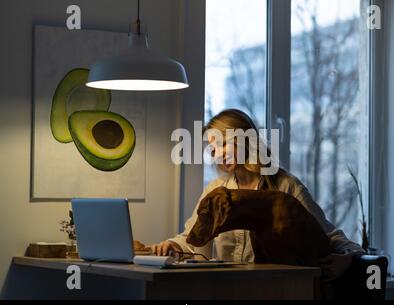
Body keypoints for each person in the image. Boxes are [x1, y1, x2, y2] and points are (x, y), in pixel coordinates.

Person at [148, 109, 365, 280]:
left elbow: (331, 237)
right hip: (226, 291)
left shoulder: (285, 187)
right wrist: (171, 245)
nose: (218, 154)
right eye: (213, 150)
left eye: (223, 143)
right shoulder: (215, 190)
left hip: (278, 290)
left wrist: (348, 259)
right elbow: (193, 239)